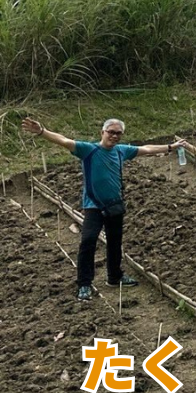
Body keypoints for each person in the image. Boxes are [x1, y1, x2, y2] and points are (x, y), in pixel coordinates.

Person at [20, 117, 186, 301]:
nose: (114, 136)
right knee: (88, 241)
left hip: (114, 205)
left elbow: (146, 149)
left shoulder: (121, 151)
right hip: (94, 206)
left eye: (118, 133)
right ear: (102, 132)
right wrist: (42, 131)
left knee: (115, 242)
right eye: (111, 132)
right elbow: (64, 141)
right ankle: (84, 283)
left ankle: (114, 277)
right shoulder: (88, 150)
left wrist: (170, 147)